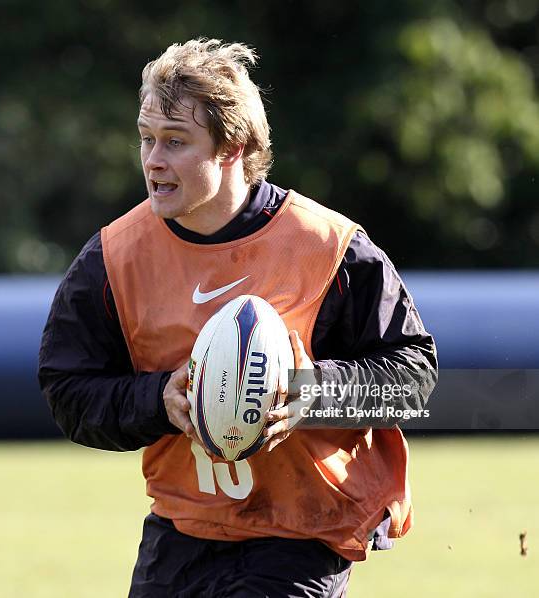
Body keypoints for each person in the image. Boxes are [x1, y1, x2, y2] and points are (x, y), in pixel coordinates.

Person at [38, 38, 437, 598]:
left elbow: (413, 379)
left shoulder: (330, 248)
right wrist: (157, 402)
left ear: (232, 148)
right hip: (184, 529)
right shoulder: (113, 258)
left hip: (304, 531)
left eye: (176, 142)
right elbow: (67, 389)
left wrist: (314, 394)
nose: (153, 159)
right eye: (147, 139)